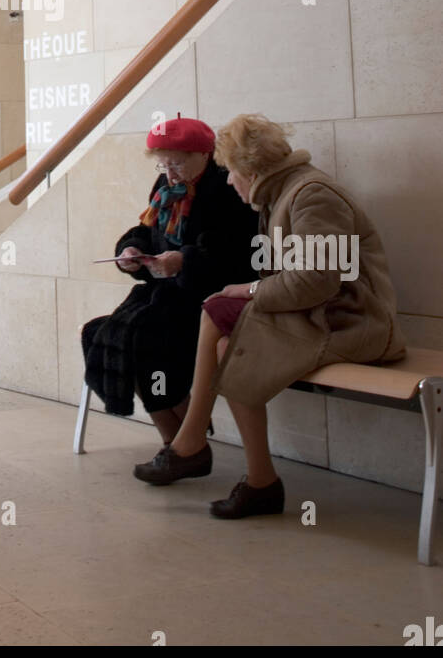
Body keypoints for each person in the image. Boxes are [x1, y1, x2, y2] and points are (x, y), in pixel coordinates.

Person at [139, 114, 406, 519]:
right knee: (227, 338)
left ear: (250, 168)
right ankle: (257, 480)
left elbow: (317, 280)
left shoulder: (312, 194)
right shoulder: (283, 192)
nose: (228, 182)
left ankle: (194, 446)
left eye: (231, 173)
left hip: (351, 323)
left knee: (219, 314)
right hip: (319, 316)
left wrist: (247, 290)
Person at [81, 115, 259, 473]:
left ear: (205, 154)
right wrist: (131, 251)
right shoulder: (166, 187)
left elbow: (240, 255)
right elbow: (147, 230)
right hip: (165, 294)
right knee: (97, 332)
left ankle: (185, 447)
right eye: (163, 164)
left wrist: (184, 261)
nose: (170, 172)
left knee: (147, 339)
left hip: (208, 298)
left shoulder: (226, 189)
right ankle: (176, 441)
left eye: (177, 163)